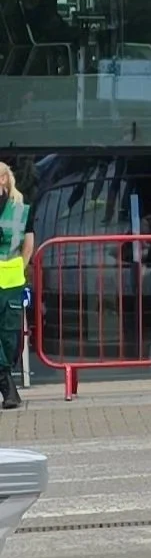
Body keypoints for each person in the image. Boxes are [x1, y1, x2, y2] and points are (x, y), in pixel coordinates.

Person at [0, 161, 31, 411]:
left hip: (11, 280)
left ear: (3, 180)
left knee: (10, 337)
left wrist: (21, 267)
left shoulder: (20, 208)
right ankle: (6, 384)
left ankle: (6, 377)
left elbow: (28, 242)